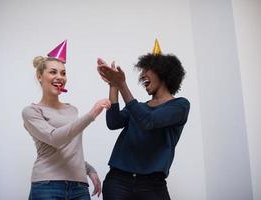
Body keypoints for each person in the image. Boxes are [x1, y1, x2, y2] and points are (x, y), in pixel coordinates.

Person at [97, 39, 190, 200]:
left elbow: (148, 121)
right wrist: (114, 85)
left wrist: (122, 84)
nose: (143, 75)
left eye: (148, 70)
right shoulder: (138, 107)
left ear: (164, 72)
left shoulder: (180, 105)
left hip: (152, 186)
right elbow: (113, 122)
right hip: (118, 181)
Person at [22, 40, 110, 200]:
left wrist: (89, 170)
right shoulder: (31, 112)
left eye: (63, 73)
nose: (59, 77)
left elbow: (70, 149)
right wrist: (92, 114)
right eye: (53, 72)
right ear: (39, 76)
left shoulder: (72, 110)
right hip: (46, 187)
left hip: (79, 187)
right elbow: (55, 138)